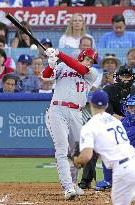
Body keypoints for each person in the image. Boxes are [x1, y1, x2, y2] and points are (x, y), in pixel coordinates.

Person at [74, 89, 135, 205]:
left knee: (129, 191)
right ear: (106, 104)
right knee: (124, 195)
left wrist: (76, 161)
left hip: (129, 165)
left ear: (90, 103)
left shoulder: (96, 124)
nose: (132, 110)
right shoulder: (116, 121)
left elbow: (86, 156)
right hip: (133, 161)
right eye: (130, 107)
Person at [78, 64, 135, 189]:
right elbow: (108, 113)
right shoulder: (109, 90)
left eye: (128, 76)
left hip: (133, 127)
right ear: (117, 76)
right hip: (112, 124)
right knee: (94, 146)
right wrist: (125, 120)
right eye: (122, 76)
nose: (125, 79)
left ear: (132, 77)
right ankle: (86, 180)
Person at [43, 47, 98, 200]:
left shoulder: (92, 73)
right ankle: (67, 187)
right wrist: (52, 64)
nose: (89, 63)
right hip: (57, 109)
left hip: (76, 112)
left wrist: (59, 53)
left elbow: (78, 67)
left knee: (78, 152)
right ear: (81, 56)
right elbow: (45, 76)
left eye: (92, 61)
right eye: (87, 59)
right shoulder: (62, 66)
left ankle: (73, 183)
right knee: (61, 148)